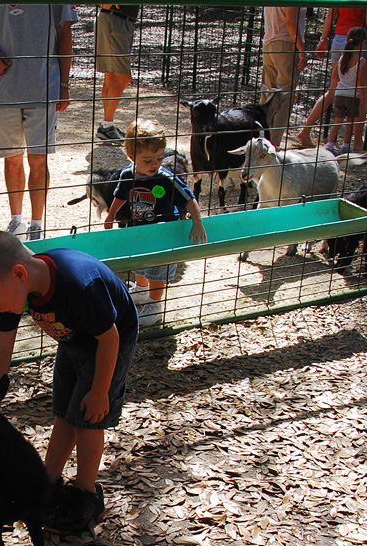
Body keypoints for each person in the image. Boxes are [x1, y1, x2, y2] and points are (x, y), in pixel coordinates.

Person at [0, 229, 138, 534]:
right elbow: (2, 348)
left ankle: (86, 495)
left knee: (87, 418)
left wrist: (99, 390)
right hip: (73, 340)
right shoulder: (15, 290)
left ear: (18, 274)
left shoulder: (77, 283)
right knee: (64, 416)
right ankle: (48, 485)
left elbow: (110, 338)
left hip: (107, 343)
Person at [0, 3, 78, 241]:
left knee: (38, 159)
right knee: (12, 158)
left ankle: (37, 225)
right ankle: (16, 221)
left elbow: (64, 33)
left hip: (44, 88)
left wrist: (64, 84)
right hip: (2, 90)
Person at [102, 120, 207, 328]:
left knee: (158, 269)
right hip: (139, 231)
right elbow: (121, 195)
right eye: (147, 159)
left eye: (159, 158)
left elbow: (189, 198)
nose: (155, 164)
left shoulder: (166, 179)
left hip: (163, 235)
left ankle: (155, 305)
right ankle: (141, 291)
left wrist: (197, 222)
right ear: (132, 157)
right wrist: (111, 214)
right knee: (139, 262)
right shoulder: (127, 175)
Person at [293, 5, 367, 150]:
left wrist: (323, 39)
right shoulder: (363, 54)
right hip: (360, 38)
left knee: (332, 90)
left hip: (339, 39)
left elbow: (331, 14)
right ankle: (356, 142)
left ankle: (306, 130)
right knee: (363, 93)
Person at [261, 6, 308, 148]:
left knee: (268, 95)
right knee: (284, 97)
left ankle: (261, 141)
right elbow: (291, 22)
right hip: (286, 43)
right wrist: (302, 50)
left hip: (269, 43)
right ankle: (272, 147)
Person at [95, 4, 138, 142]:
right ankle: (107, 127)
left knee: (111, 75)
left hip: (119, 20)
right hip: (115, 21)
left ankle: (107, 124)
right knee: (123, 77)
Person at [324, 27, 367, 156]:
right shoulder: (361, 61)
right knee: (350, 122)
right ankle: (346, 146)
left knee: (338, 121)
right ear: (363, 43)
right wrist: (363, 96)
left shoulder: (342, 58)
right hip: (352, 96)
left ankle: (330, 145)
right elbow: (361, 81)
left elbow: (335, 77)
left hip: (339, 94)